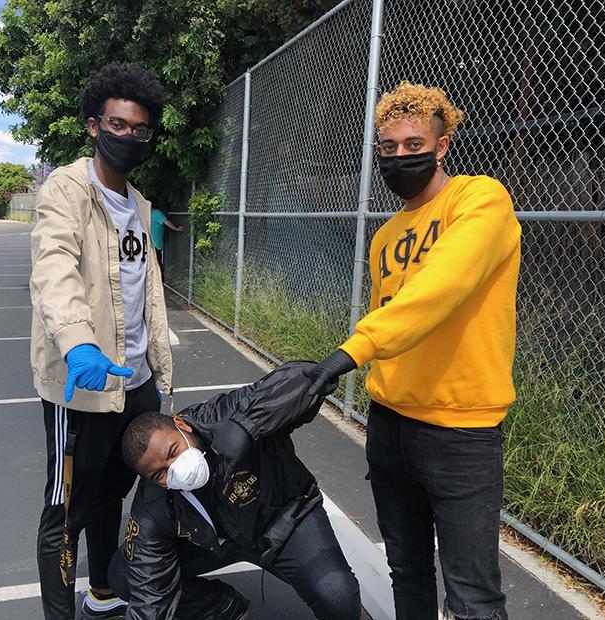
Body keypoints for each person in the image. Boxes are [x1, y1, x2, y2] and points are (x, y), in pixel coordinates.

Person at [304, 83, 521, 620]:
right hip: (390, 423)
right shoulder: (384, 238)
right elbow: (397, 315)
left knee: (472, 595)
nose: (400, 155)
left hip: (460, 431)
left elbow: (441, 288)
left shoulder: (479, 200)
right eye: (389, 147)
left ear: (443, 144)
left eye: (413, 143)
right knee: (407, 570)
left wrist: (352, 352)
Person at [30, 61, 173, 620]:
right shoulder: (65, 191)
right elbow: (54, 268)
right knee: (66, 511)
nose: (129, 137)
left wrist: (158, 368)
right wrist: (77, 342)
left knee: (115, 492)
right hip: (81, 383)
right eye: (118, 126)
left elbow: (145, 293)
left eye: (140, 129)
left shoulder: (139, 205)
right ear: (94, 125)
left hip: (133, 383)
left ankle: (104, 592)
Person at [108, 362, 361, 620]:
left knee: (337, 598)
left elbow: (306, 376)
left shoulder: (223, 415)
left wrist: (248, 424)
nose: (174, 469)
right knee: (124, 575)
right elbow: (148, 596)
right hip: (219, 543)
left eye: (173, 452)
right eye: (159, 474)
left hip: (285, 522)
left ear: (181, 426)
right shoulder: (153, 503)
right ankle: (223, 605)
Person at [150, 206, 183, 280]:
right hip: (149, 244)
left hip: (155, 244)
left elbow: (166, 222)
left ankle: (160, 282)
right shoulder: (146, 213)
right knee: (153, 264)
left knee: (157, 264)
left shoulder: (156, 213)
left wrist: (176, 228)